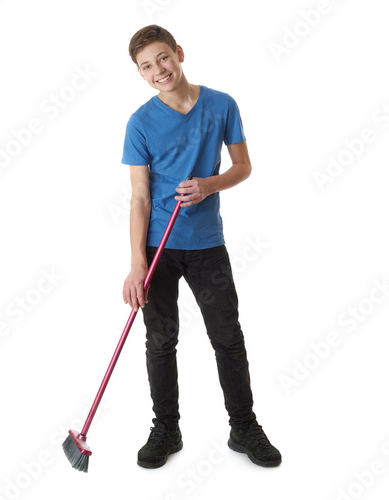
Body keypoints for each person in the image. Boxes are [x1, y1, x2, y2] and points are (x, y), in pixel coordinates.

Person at [121, 24, 281, 469]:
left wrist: (211, 184)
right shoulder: (140, 123)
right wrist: (137, 264)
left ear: (180, 53)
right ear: (140, 74)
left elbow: (243, 166)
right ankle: (166, 429)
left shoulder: (221, 105)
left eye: (163, 58)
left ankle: (244, 427)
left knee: (227, 337)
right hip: (159, 247)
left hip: (207, 243)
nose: (158, 70)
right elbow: (139, 197)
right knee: (160, 340)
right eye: (146, 66)